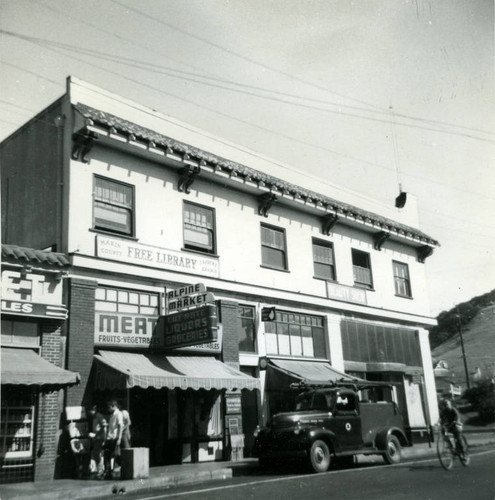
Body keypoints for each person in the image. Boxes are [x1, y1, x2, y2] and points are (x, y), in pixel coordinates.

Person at [103, 399, 123, 479]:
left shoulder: (118, 414)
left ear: (113, 406)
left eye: (109, 407)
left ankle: (113, 471)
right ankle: (108, 472)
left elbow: (120, 426)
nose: (108, 409)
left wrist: (119, 438)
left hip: (114, 437)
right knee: (107, 455)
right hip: (110, 437)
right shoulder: (112, 415)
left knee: (113, 455)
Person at [87, 404, 107, 479]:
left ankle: (100, 471)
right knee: (96, 454)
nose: (90, 413)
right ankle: (99, 470)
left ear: (94, 410)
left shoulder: (99, 416)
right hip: (96, 438)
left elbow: (104, 426)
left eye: (91, 411)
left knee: (98, 454)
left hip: (99, 438)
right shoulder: (94, 417)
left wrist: (102, 437)